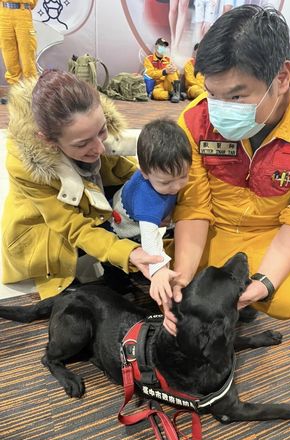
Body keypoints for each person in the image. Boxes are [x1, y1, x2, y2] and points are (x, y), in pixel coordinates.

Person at [164, 5, 290, 335]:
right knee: (182, 288)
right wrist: (184, 276)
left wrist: (266, 282)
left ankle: (252, 300)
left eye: (236, 96)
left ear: (282, 78)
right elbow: (194, 207)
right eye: (212, 93)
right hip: (213, 228)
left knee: (288, 297)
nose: (219, 111)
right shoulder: (195, 119)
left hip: (273, 232)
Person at [1, 69, 163, 300]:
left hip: (84, 201)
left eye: (102, 131)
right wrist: (127, 252)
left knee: (136, 192)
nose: (99, 149)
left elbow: (125, 172)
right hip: (46, 229)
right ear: (47, 141)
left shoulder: (88, 127)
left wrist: (159, 197)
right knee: (83, 295)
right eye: (83, 143)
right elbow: (73, 227)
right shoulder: (25, 164)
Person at [110, 118, 192, 306]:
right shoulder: (147, 200)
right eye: (166, 182)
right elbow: (150, 239)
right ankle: (119, 285)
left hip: (147, 214)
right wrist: (159, 270)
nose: (176, 186)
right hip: (125, 226)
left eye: (183, 176)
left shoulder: (165, 172)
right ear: (144, 173)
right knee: (121, 259)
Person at [0, 1, 38, 85]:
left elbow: (33, 3)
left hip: (23, 12)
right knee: (9, 56)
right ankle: (14, 92)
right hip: (3, 13)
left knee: (27, 56)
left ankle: (31, 92)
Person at [143, 37, 182, 103]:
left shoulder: (168, 59)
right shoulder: (148, 59)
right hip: (157, 85)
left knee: (172, 71)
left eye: (164, 46)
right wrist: (164, 72)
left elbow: (176, 75)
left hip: (168, 84)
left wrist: (176, 70)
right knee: (156, 94)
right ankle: (173, 95)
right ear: (156, 46)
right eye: (161, 45)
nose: (163, 48)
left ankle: (175, 93)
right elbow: (150, 74)